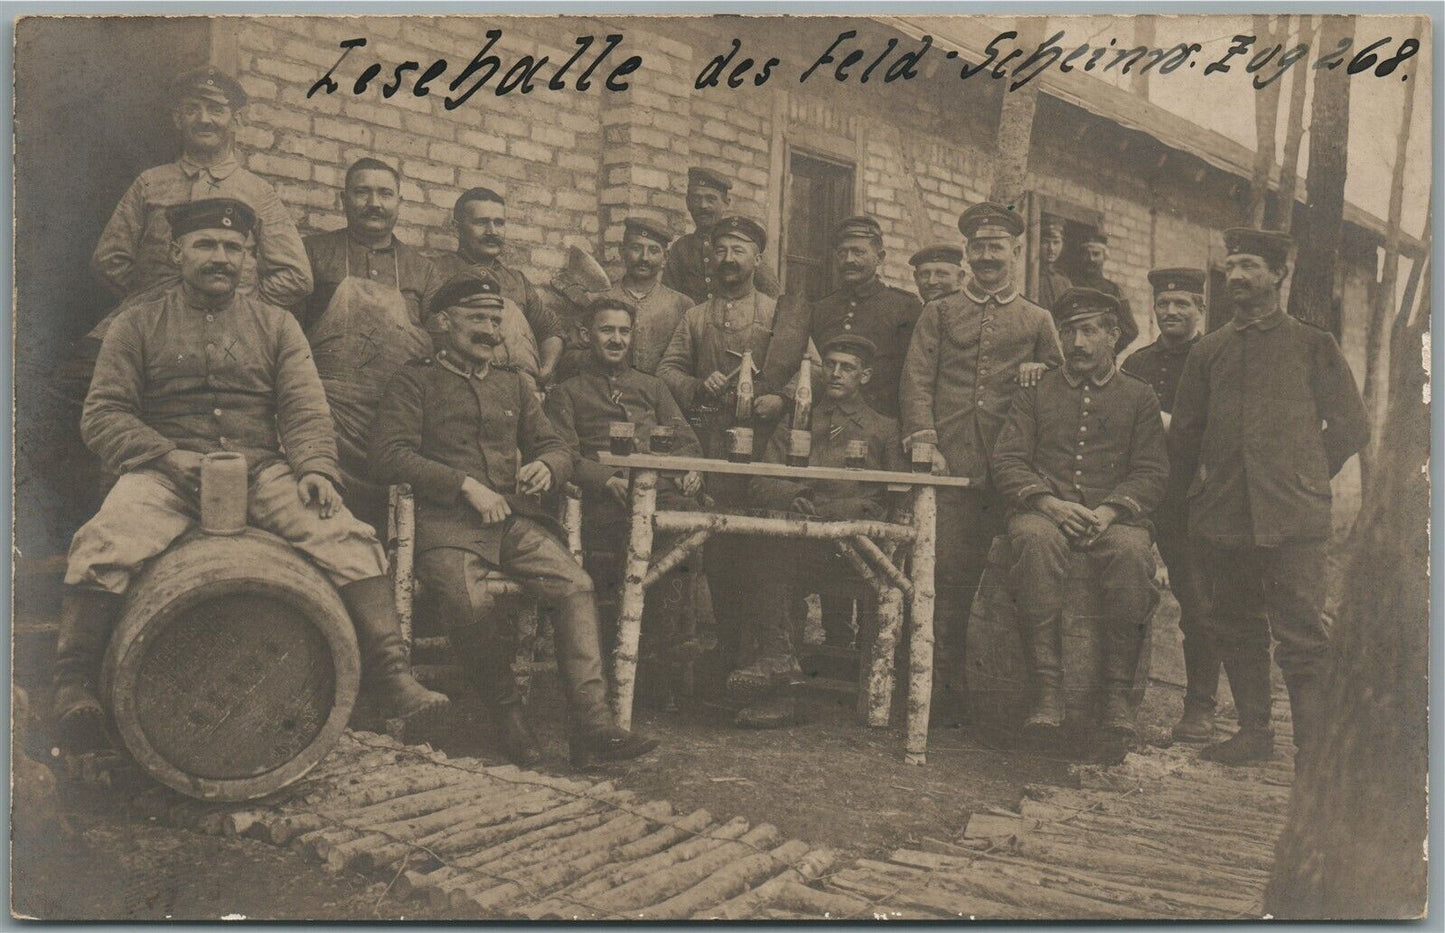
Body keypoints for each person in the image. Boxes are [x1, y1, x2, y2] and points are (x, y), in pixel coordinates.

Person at [55, 198, 445, 752]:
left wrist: (315, 470)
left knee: (349, 539)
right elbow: (103, 415)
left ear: (250, 257)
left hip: (260, 470)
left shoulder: (277, 324)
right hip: (165, 472)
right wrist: (166, 456)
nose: (221, 257)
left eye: (233, 248)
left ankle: (393, 677)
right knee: (103, 542)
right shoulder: (137, 323)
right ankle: (72, 684)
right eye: (206, 245)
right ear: (176, 252)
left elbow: (307, 409)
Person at [370, 277, 659, 769]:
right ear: (443, 324)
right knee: (470, 601)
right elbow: (388, 455)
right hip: (446, 528)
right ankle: (507, 719)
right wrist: (462, 484)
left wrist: (548, 465)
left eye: (494, 320)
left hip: (514, 523)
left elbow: (556, 446)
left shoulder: (513, 382)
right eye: (476, 319)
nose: (489, 330)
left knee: (576, 585)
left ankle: (591, 726)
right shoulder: (413, 382)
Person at [1171, 228, 1369, 765]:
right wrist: (1198, 495)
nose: (1237, 275)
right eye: (1232, 265)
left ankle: (1314, 746)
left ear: (1279, 275)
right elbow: (1185, 436)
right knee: (1234, 624)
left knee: (1302, 632)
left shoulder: (1312, 344)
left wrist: (1306, 475)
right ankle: (1254, 733)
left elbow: (1351, 425)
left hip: (1293, 517)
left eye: (1251, 265)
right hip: (1225, 516)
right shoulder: (1209, 351)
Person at [899, 202, 1063, 720]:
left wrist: (1041, 368)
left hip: (1012, 470)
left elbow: (1060, 385)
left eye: (997, 247)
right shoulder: (941, 311)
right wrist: (926, 441)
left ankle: (1004, 695)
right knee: (944, 577)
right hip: (951, 463)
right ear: (968, 253)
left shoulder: (1037, 318)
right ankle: (937, 694)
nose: (987, 256)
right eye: (979, 247)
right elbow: (917, 378)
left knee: (1010, 582)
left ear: (1015, 252)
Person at [992, 287, 1169, 745]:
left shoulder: (1139, 396)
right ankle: (1047, 691)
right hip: (1045, 513)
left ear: (1113, 335)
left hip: (1114, 519)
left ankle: (1115, 696)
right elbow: (1008, 460)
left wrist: (1110, 511)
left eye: (1089, 331)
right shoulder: (1036, 391)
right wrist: (1048, 503)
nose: (1078, 343)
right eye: (1068, 331)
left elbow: (1151, 471)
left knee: (1132, 554)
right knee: (1032, 541)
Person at [737, 335, 905, 726]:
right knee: (763, 553)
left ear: (865, 376)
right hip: (798, 544)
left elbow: (884, 500)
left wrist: (825, 509)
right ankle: (779, 680)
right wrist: (797, 494)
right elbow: (761, 480)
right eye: (830, 364)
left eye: (847, 367)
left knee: (772, 557)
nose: (836, 373)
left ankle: (778, 675)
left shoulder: (883, 429)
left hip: (854, 550)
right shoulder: (800, 418)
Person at [546, 297, 705, 708]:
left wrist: (691, 468)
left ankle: (659, 658)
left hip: (662, 499)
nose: (616, 339)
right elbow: (562, 455)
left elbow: (686, 439)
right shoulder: (568, 393)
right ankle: (655, 663)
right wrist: (605, 478)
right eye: (606, 330)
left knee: (686, 527)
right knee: (676, 535)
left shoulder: (652, 387)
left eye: (623, 331)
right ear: (586, 335)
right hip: (603, 508)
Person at [656, 215, 789, 678]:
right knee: (718, 551)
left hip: (765, 450)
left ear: (757, 258)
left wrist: (781, 397)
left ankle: (766, 656)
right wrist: (696, 383)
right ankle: (729, 650)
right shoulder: (695, 316)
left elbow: (807, 371)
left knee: (763, 545)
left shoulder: (776, 314)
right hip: (713, 445)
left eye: (740, 250)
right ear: (710, 258)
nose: (729, 259)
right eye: (722, 250)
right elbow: (665, 373)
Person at [90, 67, 312, 310]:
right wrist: (149, 302)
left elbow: (296, 276)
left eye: (216, 109)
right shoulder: (150, 183)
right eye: (192, 109)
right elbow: (109, 261)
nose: (204, 119)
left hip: (230, 334)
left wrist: (242, 309)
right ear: (178, 118)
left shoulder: (258, 192)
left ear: (236, 119)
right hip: (153, 328)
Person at [300, 157, 441, 535]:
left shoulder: (422, 269)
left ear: (398, 202)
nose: (373, 203)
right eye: (362, 192)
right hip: (329, 414)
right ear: (343, 199)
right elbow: (285, 330)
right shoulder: (312, 252)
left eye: (384, 193)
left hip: (397, 414)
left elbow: (438, 343)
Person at [1121, 267, 1219, 743]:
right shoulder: (1137, 364)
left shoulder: (1216, 357)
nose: (1172, 312)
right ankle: (1114, 702)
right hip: (1140, 493)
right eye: (1164, 305)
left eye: (1182, 304)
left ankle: (1200, 707)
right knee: (1120, 589)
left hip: (1193, 496)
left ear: (1200, 310)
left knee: (1198, 603)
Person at [768, 216, 922, 419]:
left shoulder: (904, 306)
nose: (849, 260)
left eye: (858, 252)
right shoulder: (822, 308)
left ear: (880, 257)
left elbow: (913, 376)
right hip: (826, 421)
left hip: (882, 423)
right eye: (842, 253)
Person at [427, 187, 567, 385]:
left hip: (517, 387)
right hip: (459, 383)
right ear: (456, 227)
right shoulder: (435, 271)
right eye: (481, 222)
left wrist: (545, 370)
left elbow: (551, 329)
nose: (492, 231)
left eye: (499, 223)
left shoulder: (517, 280)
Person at [556, 219, 693, 383]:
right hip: (605, 398)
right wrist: (604, 356)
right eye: (636, 248)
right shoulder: (597, 300)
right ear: (622, 251)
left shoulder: (682, 305)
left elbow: (689, 364)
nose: (644, 258)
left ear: (665, 257)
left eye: (654, 251)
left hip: (662, 401)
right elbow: (568, 360)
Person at [662, 167, 781, 304]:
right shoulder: (681, 248)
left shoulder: (745, 244)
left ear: (726, 203)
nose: (703, 206)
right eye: (696, 199)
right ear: (688, 203)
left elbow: (771, 297)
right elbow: (668, 299)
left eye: (711, 199)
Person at [1074, 231, 1139, 354]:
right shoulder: (1069, 285)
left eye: (1096, 254)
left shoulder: (1115, 290)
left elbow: (1130, 330)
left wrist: (1107, 350)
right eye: (1086, 254)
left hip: (1103, 360)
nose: (1091, 259)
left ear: (1105, 257)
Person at [1035, 219, 1072, 312]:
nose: (1051, 248)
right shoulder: (1029, 276)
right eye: (1045, 242)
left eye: (1056, 242)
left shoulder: (1064, 282)